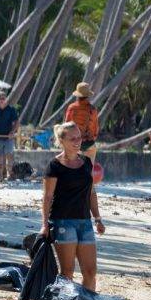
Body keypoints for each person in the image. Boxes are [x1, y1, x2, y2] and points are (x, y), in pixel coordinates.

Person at [41, 122, 105, 290]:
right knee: (67, 272)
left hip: (85, 222)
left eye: (79, 138)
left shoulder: (86, 162)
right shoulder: (54, 166)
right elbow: (47, 197)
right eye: (72, 139)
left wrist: (98, 218)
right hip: (62, 222)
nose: (77, 142)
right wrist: (44, 224)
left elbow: (91, 192)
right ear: (62, 141)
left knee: (90, 272)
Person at [64, 82, 100, 159]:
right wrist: (91, 139)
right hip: (88, 143)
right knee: (90, 164)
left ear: (77, 95)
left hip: (74, 142)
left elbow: (66, 126)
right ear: (88, 96)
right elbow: (96, 129)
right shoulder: (93, 109)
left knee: (71, 163)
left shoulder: (71, 108)